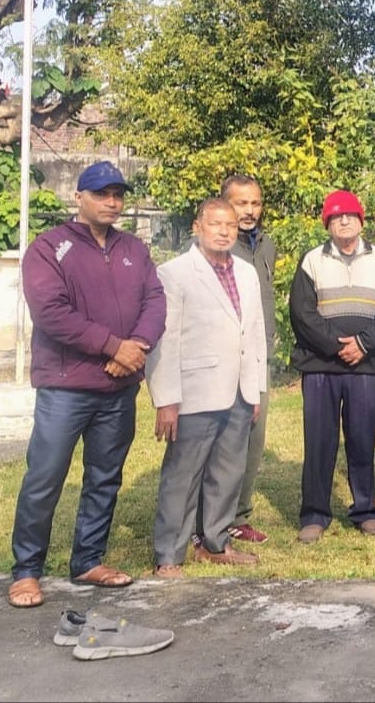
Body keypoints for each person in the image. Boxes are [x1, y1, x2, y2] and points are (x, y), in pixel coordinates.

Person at [8, 161, 166, 608]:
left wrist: (136, 344)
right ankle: (26, 571)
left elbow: (155, 301)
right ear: (79, 198)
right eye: (102, 194)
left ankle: (88, 559)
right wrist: (113, 346)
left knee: (104, 478)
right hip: (66, 388)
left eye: (118, 194)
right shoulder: (49, 248)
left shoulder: (134, 248)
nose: (112, 202)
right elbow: (51, 313)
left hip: (119, 389)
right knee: (45, 476)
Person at [148, 198, 269, 577]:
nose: (224, 231)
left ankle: (215, 542)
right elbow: (164, 341)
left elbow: (255, 332)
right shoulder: (175, 273)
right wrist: (166, 399)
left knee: (228, 471)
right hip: (195, 390)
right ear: (197, 227)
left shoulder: (247, 272)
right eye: (215, 224)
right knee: (183, 475)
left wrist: (255, 388)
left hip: (239, 389)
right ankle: (169, 554)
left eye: (230, 225)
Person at [289, 189, 375, 543]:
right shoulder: (312, 261)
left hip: (367, 366)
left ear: (361, 220)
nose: (343, 221)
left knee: (362, 440)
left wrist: (364, 344)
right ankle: (314, 514)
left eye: (350, 215)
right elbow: (302, 313)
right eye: (336, 217)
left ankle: (365, 510)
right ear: (327, 223)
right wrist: (337, 347)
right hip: (321, 365)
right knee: (319, 442)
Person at [219, 174, 275, 544]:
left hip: (259, 357)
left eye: (255, 203)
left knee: (253, 439)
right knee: (222, 441)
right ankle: (208, 518)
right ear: (225, 204)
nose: (250, 211)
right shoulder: (215, 245)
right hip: (223, 358)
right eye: (242, 203)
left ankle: (238, 514)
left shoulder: (266, 244)